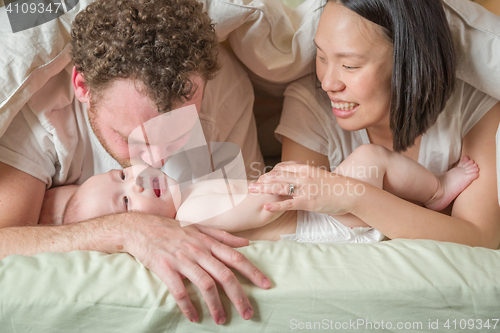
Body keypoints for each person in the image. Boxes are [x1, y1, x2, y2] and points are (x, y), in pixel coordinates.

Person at [0, 0, 268, 325]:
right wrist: (127, 230)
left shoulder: (223, 93)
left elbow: (255, 218)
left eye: (178, 133)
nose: (156, 159)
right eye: (133, 138)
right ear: (83, 87)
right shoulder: (41, 116)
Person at [251, 0, 500, 248]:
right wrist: (435, 218)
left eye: (350, 65)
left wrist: (354, 198)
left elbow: (480, 238)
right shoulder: (309, 103)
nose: (328, 83)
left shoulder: (475, 109)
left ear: (409, 62)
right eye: (322, 57)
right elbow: (300, 221)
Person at [61, 145, 480, 244]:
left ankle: (425, 198)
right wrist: (276, 187)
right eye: (126, 202)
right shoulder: (189, 213)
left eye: (120, 175)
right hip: (325, 222)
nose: (133, 183)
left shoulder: (187, 194)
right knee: (372, 157)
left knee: (372, 165)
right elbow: (257, 210)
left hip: (321, 206)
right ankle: (438, 189)